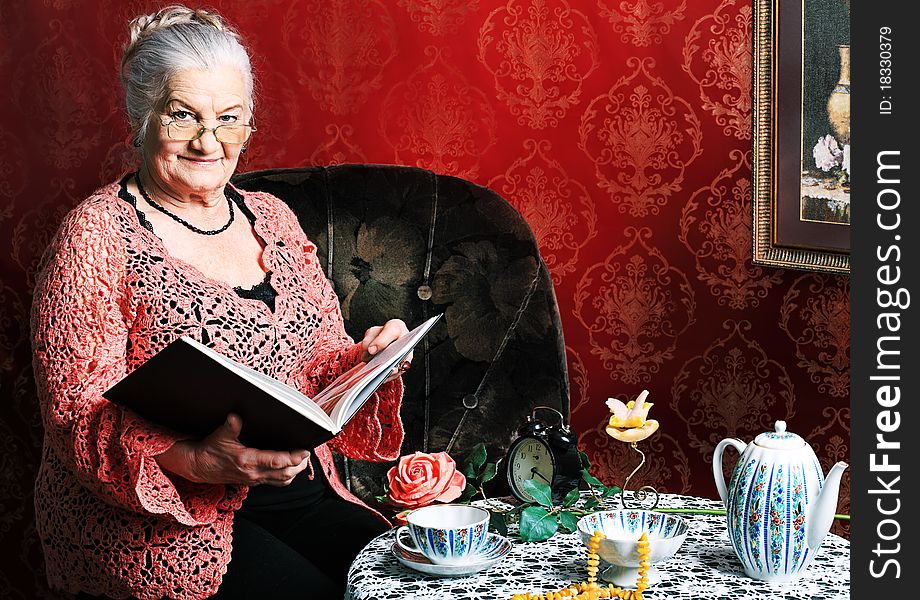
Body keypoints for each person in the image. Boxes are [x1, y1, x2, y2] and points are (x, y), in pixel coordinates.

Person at [30, 6, 411, 599]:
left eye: (229, 119)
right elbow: (75, 418)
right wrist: (202, 463)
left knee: (415, 583)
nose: (209, 141)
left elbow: (315, 366)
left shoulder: (273, 218)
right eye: (183, 115)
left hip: (298, 491)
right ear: (141, 118)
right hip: (165, 519)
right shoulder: (94, 235)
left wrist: (367, 360)